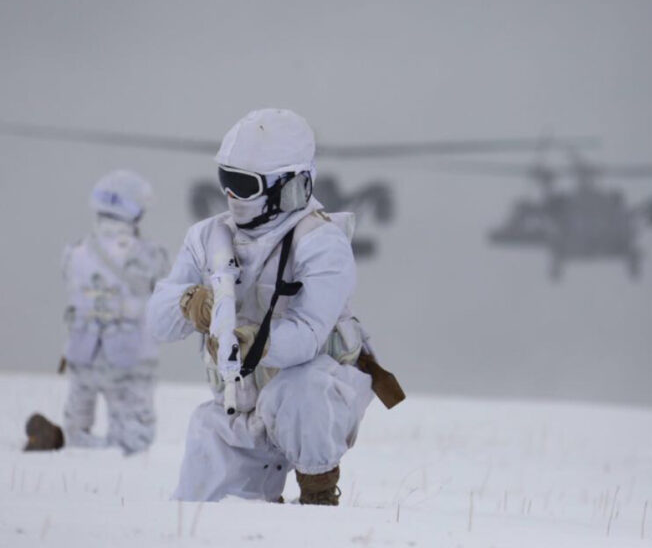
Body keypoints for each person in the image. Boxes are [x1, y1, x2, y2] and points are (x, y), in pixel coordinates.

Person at [146, 108, 402, 505]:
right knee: (198, 515)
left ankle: (318, 491)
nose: (231, 196)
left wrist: (253, 344)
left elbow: (308, 335)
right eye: (226, 180)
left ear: (289, 185)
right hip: (236, 405)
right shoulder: (208, 237)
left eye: (244, 185)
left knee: (301, 389)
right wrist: (191, 305)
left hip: (314, 400)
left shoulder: (320, 242)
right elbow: (156, 322)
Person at [25, 170, 169, 455]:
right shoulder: (146, 253)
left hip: (81, 350)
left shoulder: (77, 250)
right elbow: (165, 284)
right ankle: (104, 456)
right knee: (134, 440)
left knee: (77, 427)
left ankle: (65, 445)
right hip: (129, 356)